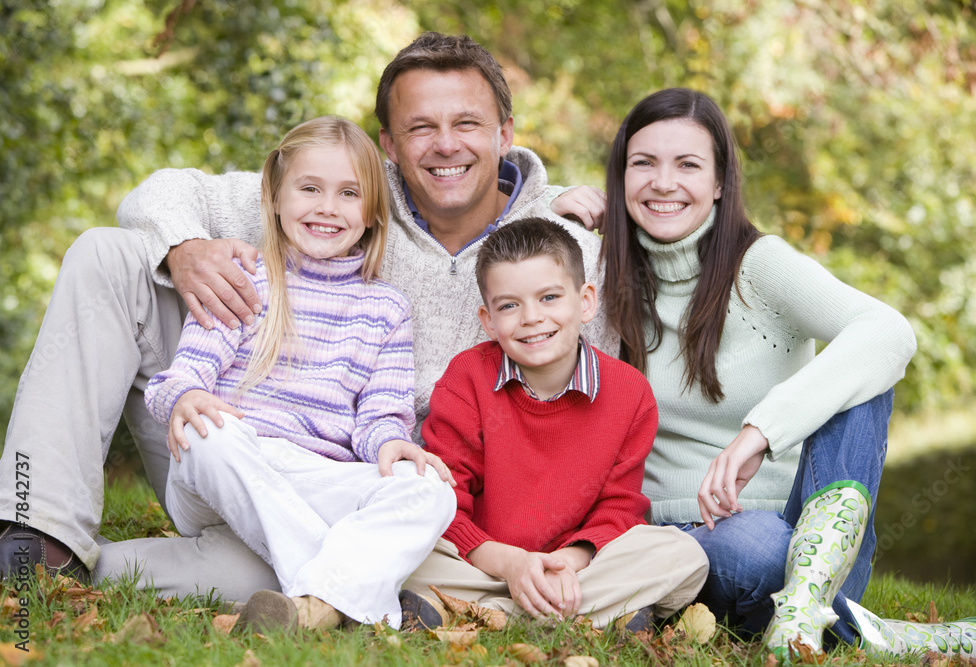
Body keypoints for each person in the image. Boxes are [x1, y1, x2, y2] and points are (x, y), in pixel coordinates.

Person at [0, 31, 612, 599]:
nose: (445, 144)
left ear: (506, 134)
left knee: (257, 572)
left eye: (467, 124)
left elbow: (605, 385)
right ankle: (39, 526)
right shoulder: (341, 192)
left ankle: (81, 571)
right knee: (108, 254)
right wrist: (184, 248)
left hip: (354, 480)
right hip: (218, 434)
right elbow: (160, 193)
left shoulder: (566, 240)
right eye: (421, 127)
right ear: (390, 148)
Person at [600, 87, 976, 660]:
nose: (664, 183)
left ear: (719, 183)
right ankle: (843, 624)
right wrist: (567, 198)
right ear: (620, 178)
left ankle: (807, 602)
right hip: (674, 541)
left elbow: (890, 333)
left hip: (800, 533)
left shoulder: (759, 267)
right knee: (751, 549)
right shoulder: (596, 271)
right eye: (644, 163)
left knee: (865, 379)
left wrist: (761, 432)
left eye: (687, 164)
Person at [145, 115, 456, 631]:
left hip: (315, 477)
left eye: (349, 194)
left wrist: (389, 444)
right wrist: (183, 399)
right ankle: (338, 594)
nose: (327, 208)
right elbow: (181, 378)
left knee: (428, 487)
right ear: (274, 194)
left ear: (374, 211)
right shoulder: (246, 278)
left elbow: (380, 415)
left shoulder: (385, 307)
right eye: (309, 188)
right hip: (228, 466)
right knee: (210, 430)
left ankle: (310, 610)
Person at [400, 218, 708, 631]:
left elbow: (619, 507)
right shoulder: (467, 378)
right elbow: (445, 500)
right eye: (509, 305)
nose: (531, 317)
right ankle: (580, 614)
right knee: (408, 545)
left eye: (549, 297)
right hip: (482, 561)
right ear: (488, 320)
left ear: (585, 302)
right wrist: (510, 564)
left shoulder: (628, 391)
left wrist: (565, 564)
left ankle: (494, 613)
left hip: (574, 568)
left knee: (683, 555)